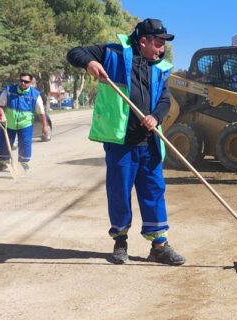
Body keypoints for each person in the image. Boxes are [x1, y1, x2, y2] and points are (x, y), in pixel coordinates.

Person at [66, 18, 185, 266]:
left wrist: (156, 116)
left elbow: (165, 100)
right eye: (159, 43)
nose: (162, 48)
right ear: (143, 41)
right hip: (121, 143)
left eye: (163, 43)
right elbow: (74, 53)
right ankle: (120, 242)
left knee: (154, 192)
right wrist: (90, 63)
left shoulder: (161, 67)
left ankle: (159, 246)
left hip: (150, 143)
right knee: (119, 192)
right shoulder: (113, 54)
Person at [0, 73, 49, 172]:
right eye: (21, 80)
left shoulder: (35, 95)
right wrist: (2, 116)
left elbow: (41, 113)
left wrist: (45, 126)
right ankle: (3, 163)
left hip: (25, 124)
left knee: (25, 143)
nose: (23, 83)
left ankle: (24, 163)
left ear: (30, 83)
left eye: (26, 82)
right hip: (9, 123)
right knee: (4, 143)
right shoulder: (9, 90)